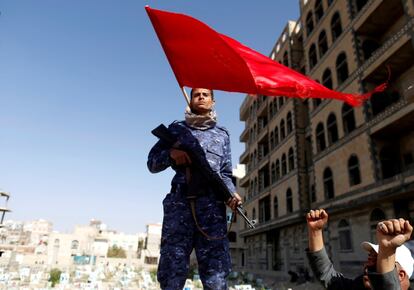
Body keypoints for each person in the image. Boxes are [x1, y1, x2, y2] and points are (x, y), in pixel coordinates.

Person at [147, 88, 242, 290]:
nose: (200, 96)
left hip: (212, 213)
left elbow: (224, 173)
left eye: (205, 94)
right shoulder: (176, 130)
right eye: (196, 94)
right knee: (172, 274)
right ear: (190, 100)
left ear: (213, 102)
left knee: (216, 277)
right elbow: (152, 164)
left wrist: (231, 193)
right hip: (180, 208)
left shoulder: (222, 135)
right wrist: (172, 154)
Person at [305, 209, 413, 290]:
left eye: (376, 261)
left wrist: (387, 251)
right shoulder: (358, 287)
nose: (366, 267)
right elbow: (327, 275)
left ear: (400, 275)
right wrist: (315, 232)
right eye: (369, 258)